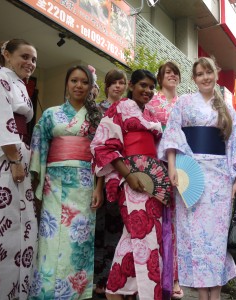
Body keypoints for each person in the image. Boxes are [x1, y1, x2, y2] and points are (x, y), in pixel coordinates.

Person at [158, 57, 236, 300]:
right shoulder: (183, 102)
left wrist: (235, 179)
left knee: (215, 239)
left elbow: (233, 145)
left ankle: (215, 295)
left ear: (216, 74)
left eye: (209, 72)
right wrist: (172, 166)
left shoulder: (227, 108)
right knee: (194, 237)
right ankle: (203, 295)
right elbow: (172, 135)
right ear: (194, 79)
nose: (205, 77)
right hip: (190, 175)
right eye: (200, 74)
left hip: (220, 179)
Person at [29, 65, 103, 300]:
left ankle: (75, 294)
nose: (79, 86)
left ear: (90, 86)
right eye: (74, 81)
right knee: (50, 240)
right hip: (55, 183)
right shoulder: (51, 114)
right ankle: (46, 292)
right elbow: (39, 145)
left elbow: (101, 153)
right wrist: (36, 180)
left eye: (84, 82)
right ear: (67, 84)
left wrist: (99, 187)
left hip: (84, 183)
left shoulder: (95, 117)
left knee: (78, 240)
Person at [91, 69, 166, 300]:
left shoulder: (152, 114)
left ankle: (117, 288)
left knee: (140, 236)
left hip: (153, 180)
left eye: (151, 87)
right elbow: (104, 144)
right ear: (131, 85)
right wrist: (129, 175)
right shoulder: (119, 108)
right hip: (131, 178)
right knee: (141, 231)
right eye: (143, 85)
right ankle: (141, 293)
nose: (148, 90)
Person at [0, 38, 38, 299]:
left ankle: (17, 290)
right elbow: (0, 119)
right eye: (25, 56)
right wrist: (15, 160)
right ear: (6, 54)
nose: (30, 63)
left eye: (34, 60)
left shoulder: (20, 84)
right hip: (5, 160)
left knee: (21, 224)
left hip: (19, 155)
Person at [148, 61, 183, 299]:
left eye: (175, 73)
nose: (171, 76)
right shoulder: (152, 103)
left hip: (184, 164)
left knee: (181, 220)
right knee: (162, 220)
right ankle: (163, 274)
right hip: (159, 163)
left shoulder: (185, 102)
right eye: (167, 73)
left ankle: (178, 275)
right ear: (160, 79)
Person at [93, 68, 127, 297]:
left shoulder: (129, 110)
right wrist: (98, 183)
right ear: (106, 85)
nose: (117, 86)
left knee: (118, 227)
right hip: (101, 171)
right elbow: (96, 147)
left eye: (121, 82)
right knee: (100, 227)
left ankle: (115, 280)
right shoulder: (97, 110)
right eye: (113, 82)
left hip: (124, 174)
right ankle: (98, 279)